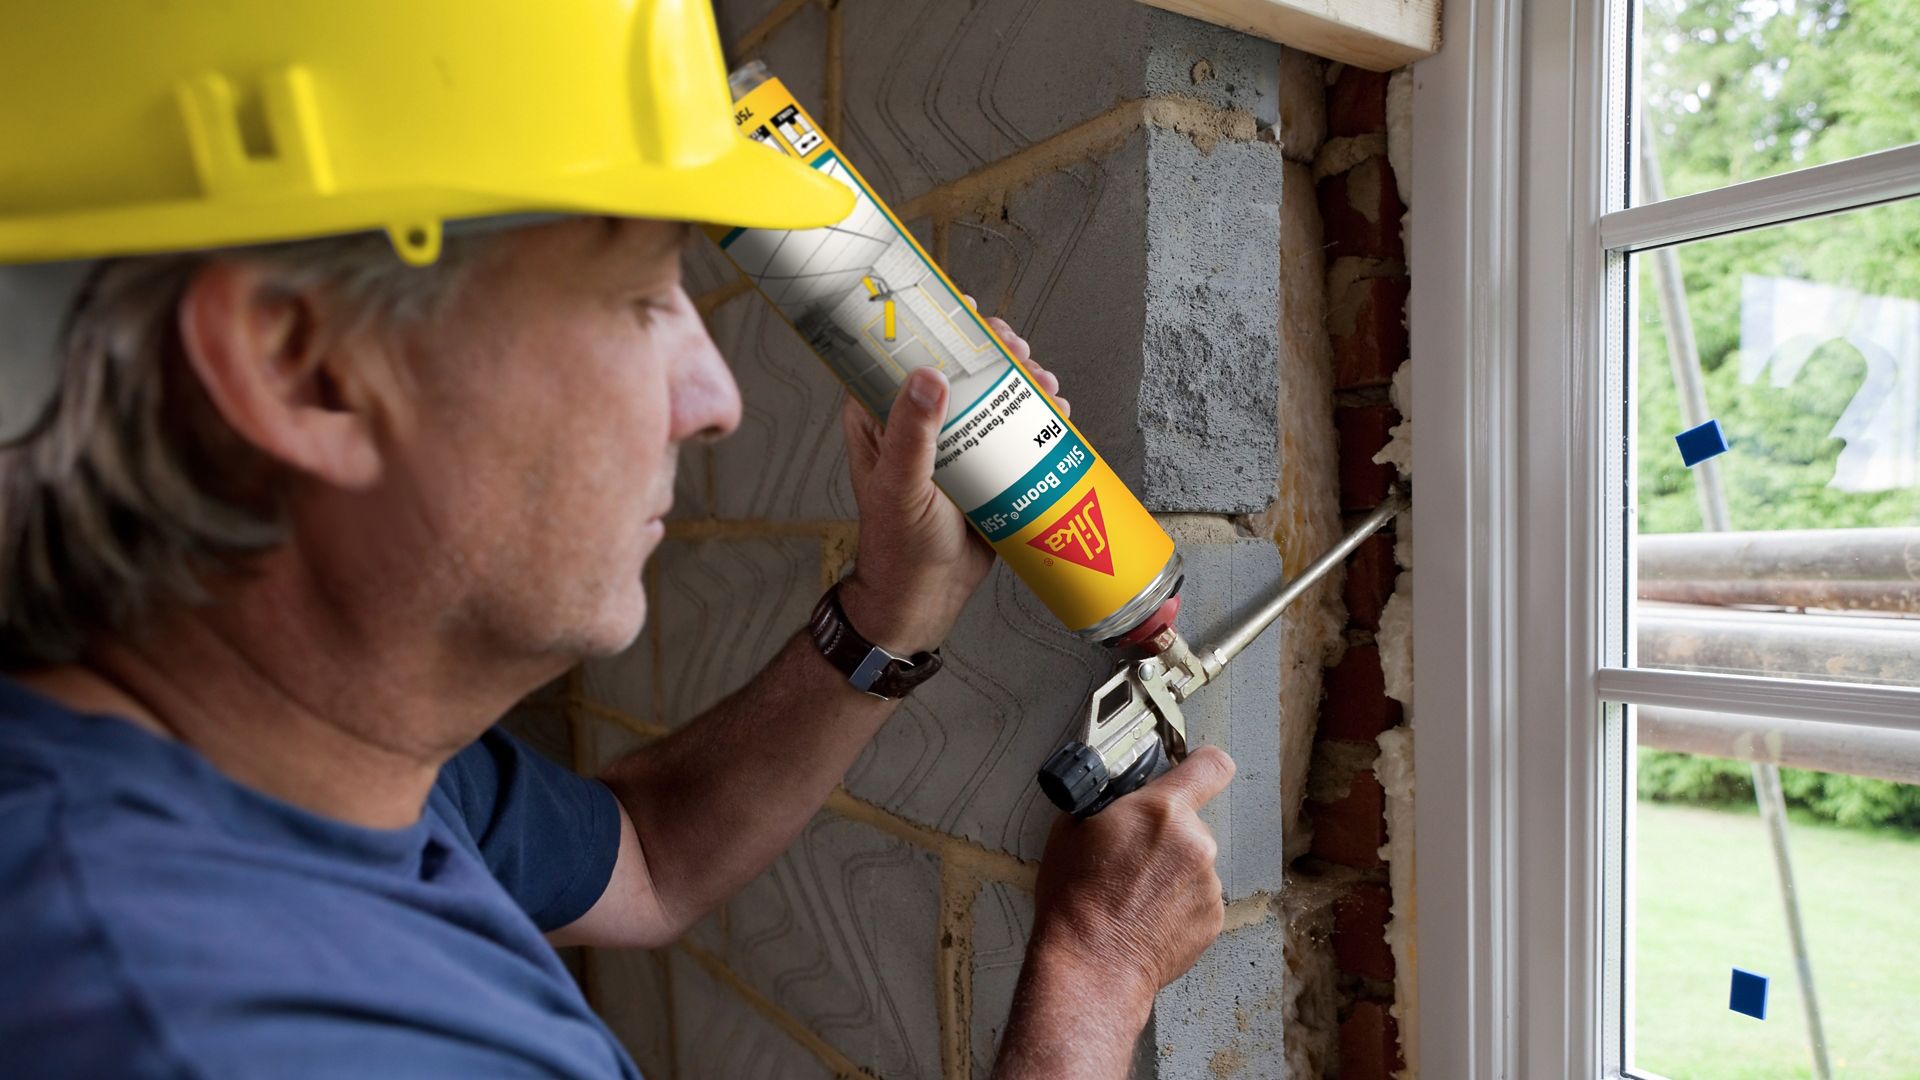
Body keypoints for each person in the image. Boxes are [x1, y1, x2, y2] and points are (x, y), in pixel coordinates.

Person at [0, 2, 1234, 1076]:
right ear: (302, 368)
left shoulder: (283, 757)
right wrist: (1087, 991)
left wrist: (889, 613)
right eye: (642, 298)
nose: (715, 401)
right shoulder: (222, 1027)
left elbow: (641, 858)